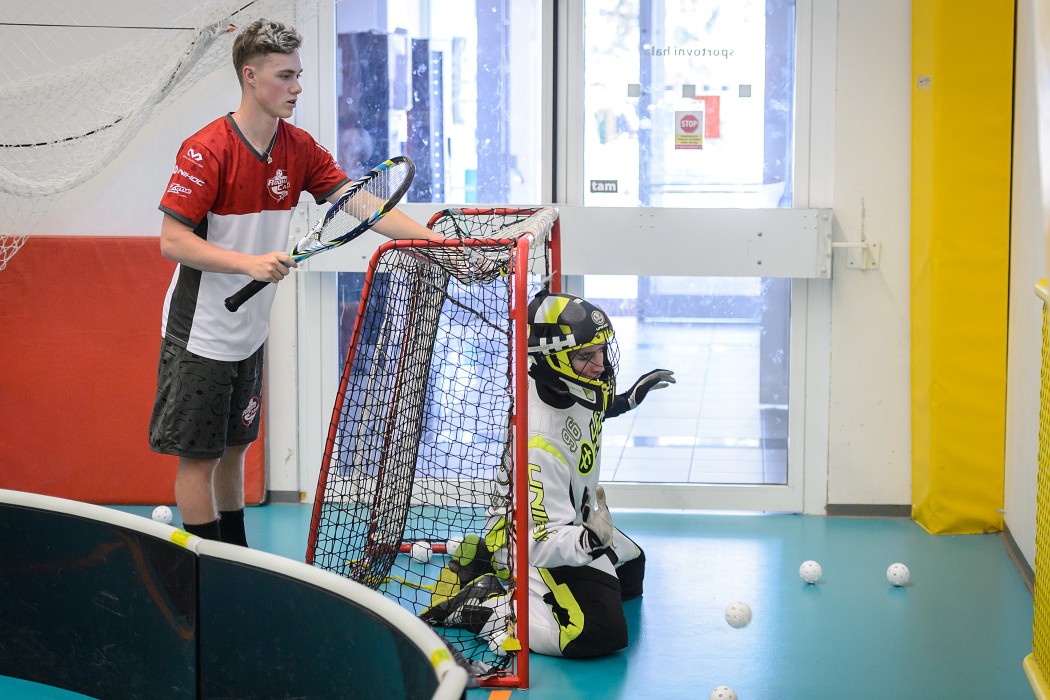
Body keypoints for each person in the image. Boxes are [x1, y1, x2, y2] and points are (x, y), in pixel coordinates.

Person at [149, 18, 442, 546]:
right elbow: (172, 241)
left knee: (235, 448)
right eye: (285, 76)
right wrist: (249, 264)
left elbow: (361, 204)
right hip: (200, 333)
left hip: (249, 332)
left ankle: (237, 559)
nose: (297, 87)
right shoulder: (207, 150)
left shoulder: (298, 147)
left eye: (298, 75)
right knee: (199, 458)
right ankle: (201, 576)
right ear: (250, 76)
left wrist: (433, 241)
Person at [422, 291, 675, 659]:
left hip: (570, 519)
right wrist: (590, 541)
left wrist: (629, 399)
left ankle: (484, 558)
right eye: (586, 356)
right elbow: (540, 542)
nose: (601, 365)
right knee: (595, 634)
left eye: (602, 350)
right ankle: (488, 604)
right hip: (529, 537)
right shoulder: (539, 442)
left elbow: (593, 409)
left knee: (632, 574)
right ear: (553, 360)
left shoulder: (568, 384)